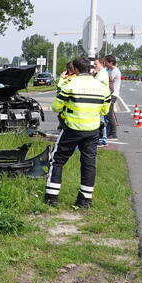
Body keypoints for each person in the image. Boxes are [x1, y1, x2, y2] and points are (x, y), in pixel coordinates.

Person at [45, 56, 111, 209]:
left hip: (72, 129)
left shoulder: (70, 84)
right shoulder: (102, 87)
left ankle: (52, 198)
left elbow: (56, 106)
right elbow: (105, 110)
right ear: (90, 69)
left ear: (74, 69)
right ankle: (85, 200)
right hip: (92, 131)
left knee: (57, 160)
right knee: (89, 164)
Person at [92, 58, 111, 146]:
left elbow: (94, 83)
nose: (94, 66)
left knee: (101, 119)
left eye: (96, 64)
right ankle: (102, 138)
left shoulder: (102, 73)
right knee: (100, 119)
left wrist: (92, 74)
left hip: (102, 99)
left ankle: (103, 139)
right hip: (100, 98)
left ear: (102, 64)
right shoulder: (100, 73)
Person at [103, 55, 121, 140]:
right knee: (108, 114)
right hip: (110, 94)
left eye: (106, 62)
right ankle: (110, 132)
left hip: (112, 94)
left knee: (109, 114)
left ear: (111, 62)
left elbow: (106, 80)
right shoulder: (110, 70)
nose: (104, 63)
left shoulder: (115, 71)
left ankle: (113, 134)